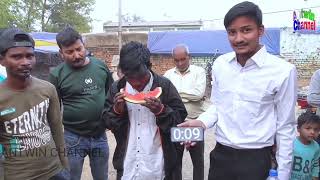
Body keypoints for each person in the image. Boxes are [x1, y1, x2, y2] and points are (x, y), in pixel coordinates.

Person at [179, 1, 297, 180]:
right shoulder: (220, 65)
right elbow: (218, 106)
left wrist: (283, 175)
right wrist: (201, 122)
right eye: (232, 32)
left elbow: (285, 127)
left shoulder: (283, 71)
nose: (238, 38)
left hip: (257, 160)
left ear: (261, 30)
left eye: (246, 30)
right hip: (221, 157)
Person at [102, 41, 187, 180]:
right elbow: (106, 122)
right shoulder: (117, 88)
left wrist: (161, 111)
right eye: (130, 79)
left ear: (149, 67)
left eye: (141, 79)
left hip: (158, 166)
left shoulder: (164, 85)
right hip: (128, 166)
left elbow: (179, 122)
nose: (136, 84)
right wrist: (116, 111)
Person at [0, 28, 69, 180]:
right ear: (2, 59)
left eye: (30, 56)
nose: (25, 62)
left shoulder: (47, 89)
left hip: (54, 171)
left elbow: (57, 129)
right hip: (18, 174)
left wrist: (64, 165)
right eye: (17, 57)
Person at [49, 27, 113, 180]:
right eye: (69, 52)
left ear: (84, 45)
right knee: (70, 177)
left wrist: (110, 120)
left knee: (102, 177)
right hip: (72, 138)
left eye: (79, 49)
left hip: (100, 136)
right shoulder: (56, 74)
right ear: (61, 53)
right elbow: (54, 109)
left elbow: (110, 94)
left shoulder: (101, 66)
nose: (76, 55)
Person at [164, 44, 206, 180]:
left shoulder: (199, 72)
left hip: (194, 122)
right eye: (177, 60)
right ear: (173, 59)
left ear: (189, 57)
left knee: (197, 161)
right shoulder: (168, 75)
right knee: (175, 162)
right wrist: (187, 96)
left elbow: (199, 94)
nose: (180, 63)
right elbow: (165, 98)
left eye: (183, 59)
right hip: (176, 124)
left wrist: (175, 94)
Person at [291, 112, 320, 180]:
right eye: (308, 128)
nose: (312, 132)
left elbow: (316, 165)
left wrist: (314, 177)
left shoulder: (316, 147)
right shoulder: (292, 144)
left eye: (316, 129)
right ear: (298, 129)